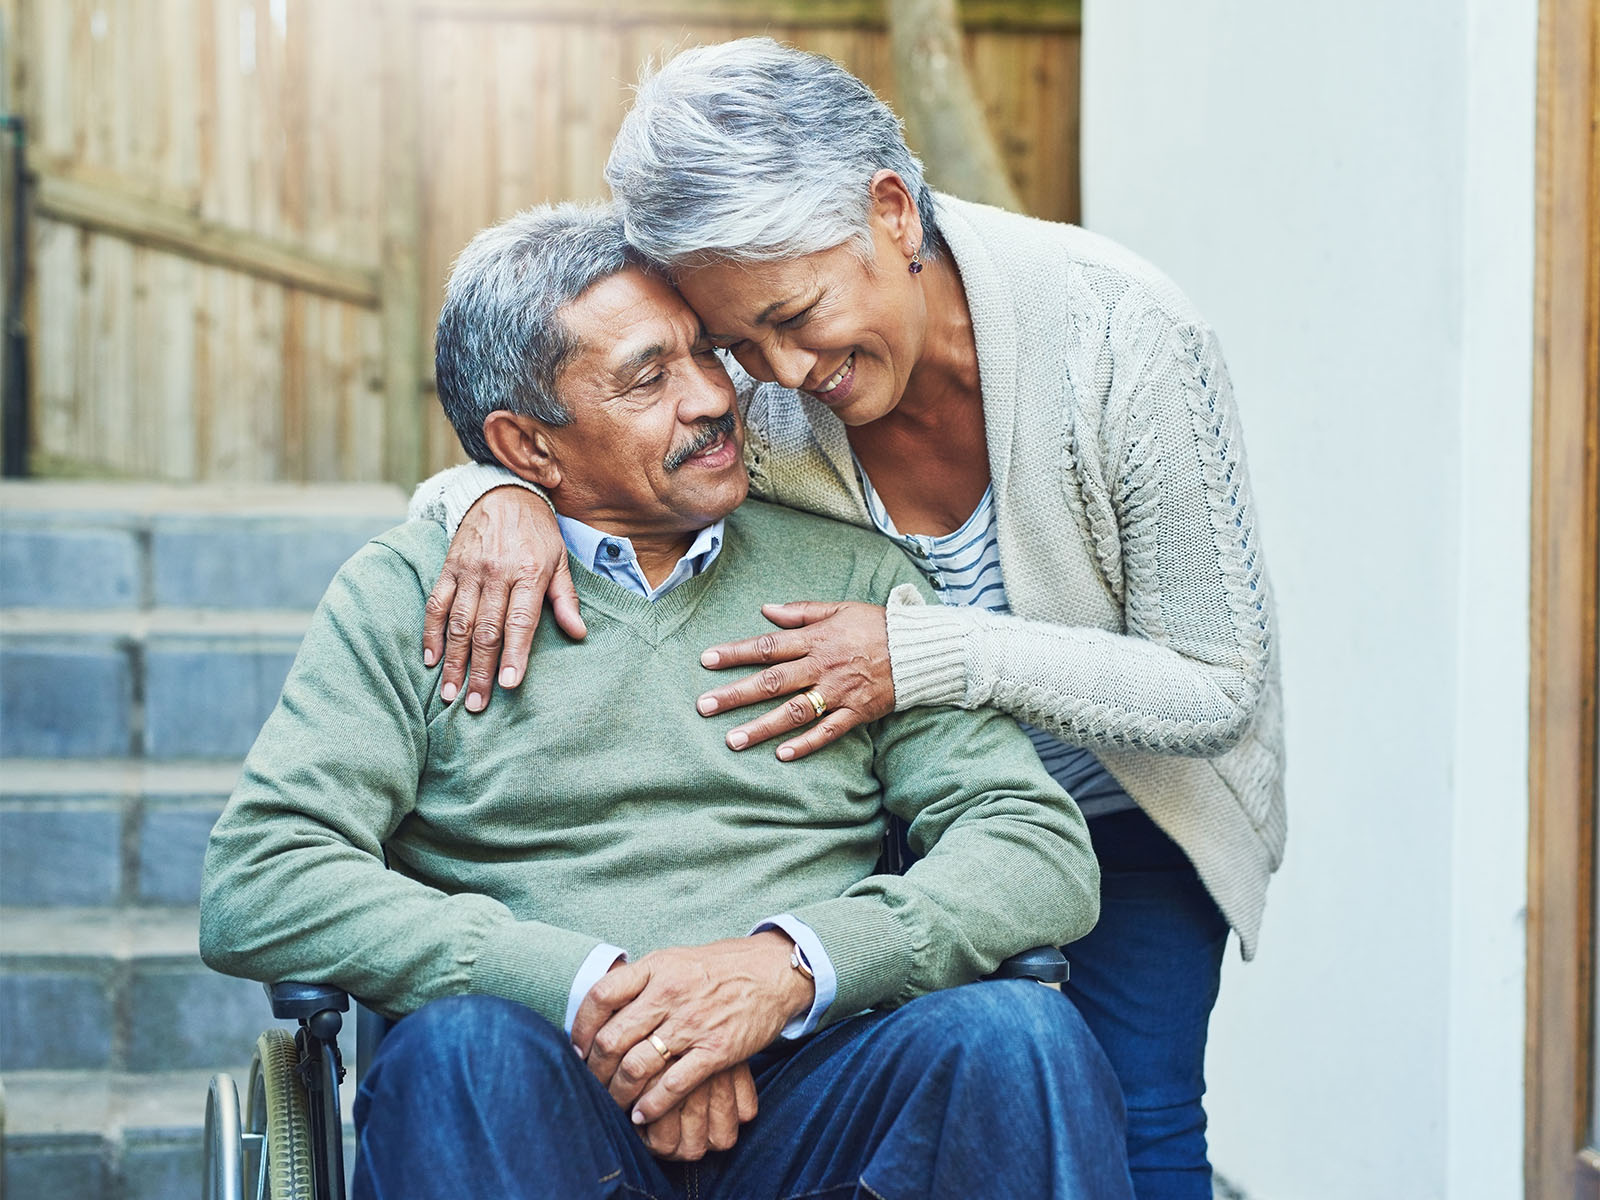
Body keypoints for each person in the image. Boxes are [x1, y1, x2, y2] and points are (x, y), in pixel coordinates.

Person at [410, 38, 1285, 1200]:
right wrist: (495, 492)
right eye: (737, 341)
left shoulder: (1120, 340)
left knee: (1135, 1127)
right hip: (884, 812)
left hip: (1128, 810)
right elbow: (579, 448)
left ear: (889, 211)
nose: (777, 369)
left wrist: (920, 653)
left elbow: (1217, 684)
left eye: (794, 314)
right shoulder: (761, 395)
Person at [199, 202, 1136, 1200]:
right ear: (528, 447)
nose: (710, 398)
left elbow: (1034, 849)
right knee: (460, 1051)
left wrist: (786, 974)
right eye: (648, 377)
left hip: (817, 1084)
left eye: (705, 354)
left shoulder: (850, 575)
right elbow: (262, 879)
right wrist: (586, 991)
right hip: (539, 1091)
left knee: (1018, 1037)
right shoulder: (410, 597)